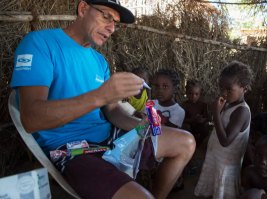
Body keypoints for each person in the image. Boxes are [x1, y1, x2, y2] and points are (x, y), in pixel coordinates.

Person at [10, 0, 196, 198]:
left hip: (110, 138)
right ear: (83, 9)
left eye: (115, 22)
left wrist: (138, 124)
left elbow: (113, 110)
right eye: (106, 16)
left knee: (186, 142)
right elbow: (31, 119)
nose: (111, 28)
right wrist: (100, 95)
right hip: (72, 149)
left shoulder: (99, 61)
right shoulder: (40, 43)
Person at [194, 61, 253, 199]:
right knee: (213, 189)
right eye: (221, 88)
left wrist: (215, 114)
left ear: (244, 88)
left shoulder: (242, 112)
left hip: (227, 164)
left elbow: (226, 141)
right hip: (217, 158)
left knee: (223, 193)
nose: (223, 93)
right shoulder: (228, 104)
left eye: (228, 89)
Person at [181, 79, 209, 146]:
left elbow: (207, 118)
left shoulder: (203, 105)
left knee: (205, 128)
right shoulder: (184, 105)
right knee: (185, 127)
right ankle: (187, 143)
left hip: (199, 126)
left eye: (196, 94)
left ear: (200, 94)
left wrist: (202, 120)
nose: (193, 96)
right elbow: (181, 120)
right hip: (189, 127)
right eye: (190, 93)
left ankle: (197, 144)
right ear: (186, 93)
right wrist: (192, 119)